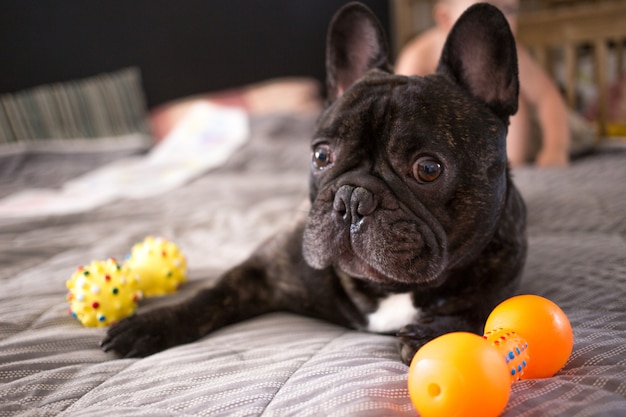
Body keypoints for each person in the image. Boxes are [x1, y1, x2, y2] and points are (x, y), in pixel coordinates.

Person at [396, 0, 571, 167]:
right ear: (445, 18)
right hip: (449, 141)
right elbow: (401, 112)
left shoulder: (509, 53)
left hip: (528, 135)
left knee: (513, 97)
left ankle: (509, 166)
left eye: (509, 10)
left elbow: (547, 96)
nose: (501, 20)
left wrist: (555, 148)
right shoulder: (419, 55)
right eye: (484, 10)